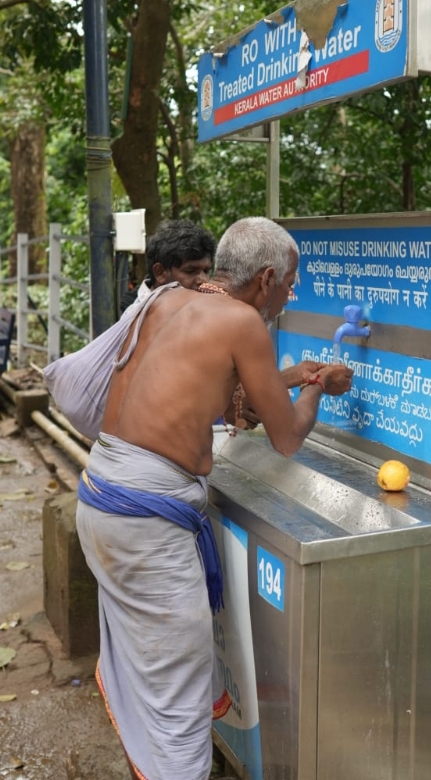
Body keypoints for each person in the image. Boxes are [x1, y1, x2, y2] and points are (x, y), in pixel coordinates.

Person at [76, 216, 353, 780]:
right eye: (291, 283)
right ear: (268, 276)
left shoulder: (167, 298)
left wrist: (292, 377)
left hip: (101, 498)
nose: (291, 294)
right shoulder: (243, 322)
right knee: (177, 702)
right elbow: (286, 437)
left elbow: (208, 386)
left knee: (148, 677)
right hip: (146, 525)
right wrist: (321, 386)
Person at [119, 218, 217, 314]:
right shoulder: (133, 319)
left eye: (206, 271)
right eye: (190, 271)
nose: (203, 280)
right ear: (160, 273)